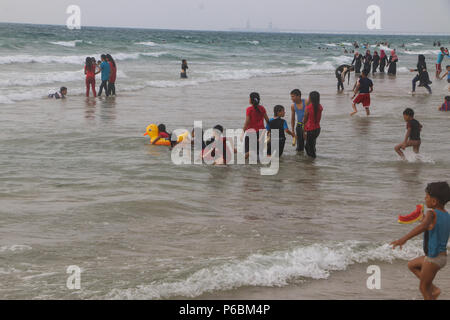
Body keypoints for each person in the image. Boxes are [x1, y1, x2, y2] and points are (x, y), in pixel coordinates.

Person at [391, 182, 450, 300]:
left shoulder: (431, 213)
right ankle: (434, 289)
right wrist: (423, 219)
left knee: (423, 288)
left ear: (434, 201)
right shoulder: (446, 214)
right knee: (412, 265)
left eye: (427, 196)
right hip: (442, 258)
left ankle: (434, 290)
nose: (424, 199)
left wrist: (403, 239)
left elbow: (423, 227)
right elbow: (431, 226)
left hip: (433, 259)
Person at [242, 92, 269, 160]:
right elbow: (267, 120)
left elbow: (247, 122)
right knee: (259, 152)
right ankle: (257, 168)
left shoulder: (249, 109)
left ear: (251, 100)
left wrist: (243, 132)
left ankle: (244, 165)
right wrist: (268, 130)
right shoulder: (262, 108)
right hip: (261, 132)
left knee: (247, 151)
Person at [303, 91, 323, 158]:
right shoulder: (320, 107)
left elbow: (305, 119)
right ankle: (311, 163)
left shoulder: (308, 107)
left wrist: (302, 128)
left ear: (310, 98)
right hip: (317, 129)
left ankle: (312, 163)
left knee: (309, 147)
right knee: (311, 146)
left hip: (310, 130)